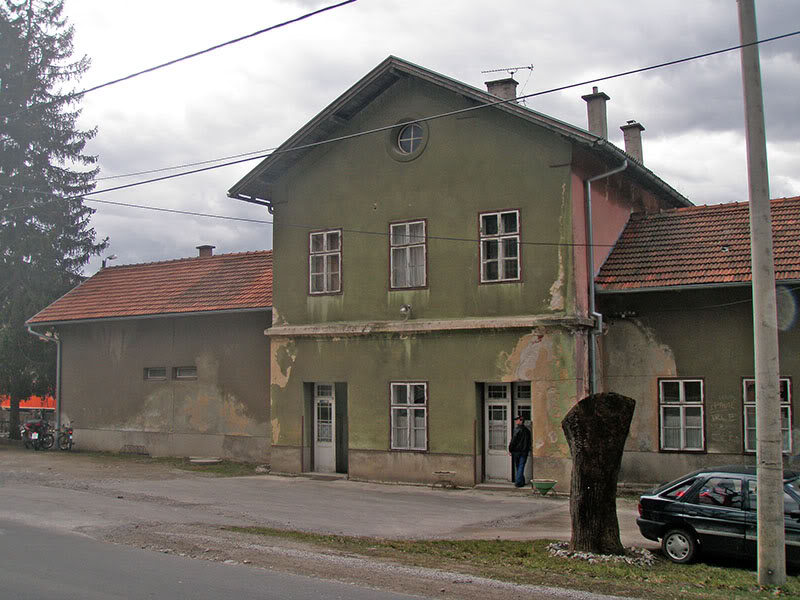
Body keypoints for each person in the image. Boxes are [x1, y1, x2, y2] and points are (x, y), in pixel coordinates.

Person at [508, 414, 532, 488]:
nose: (516, 421)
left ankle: (518, 482)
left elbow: (513, 440)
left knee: (519, 466)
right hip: (524, 451)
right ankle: (521, 481)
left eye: (517, 420)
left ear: (521, 421)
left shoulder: (517, 430)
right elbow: (529, 442)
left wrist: (510, 449)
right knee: (520, 466)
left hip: (517, 451)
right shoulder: (527, 431)